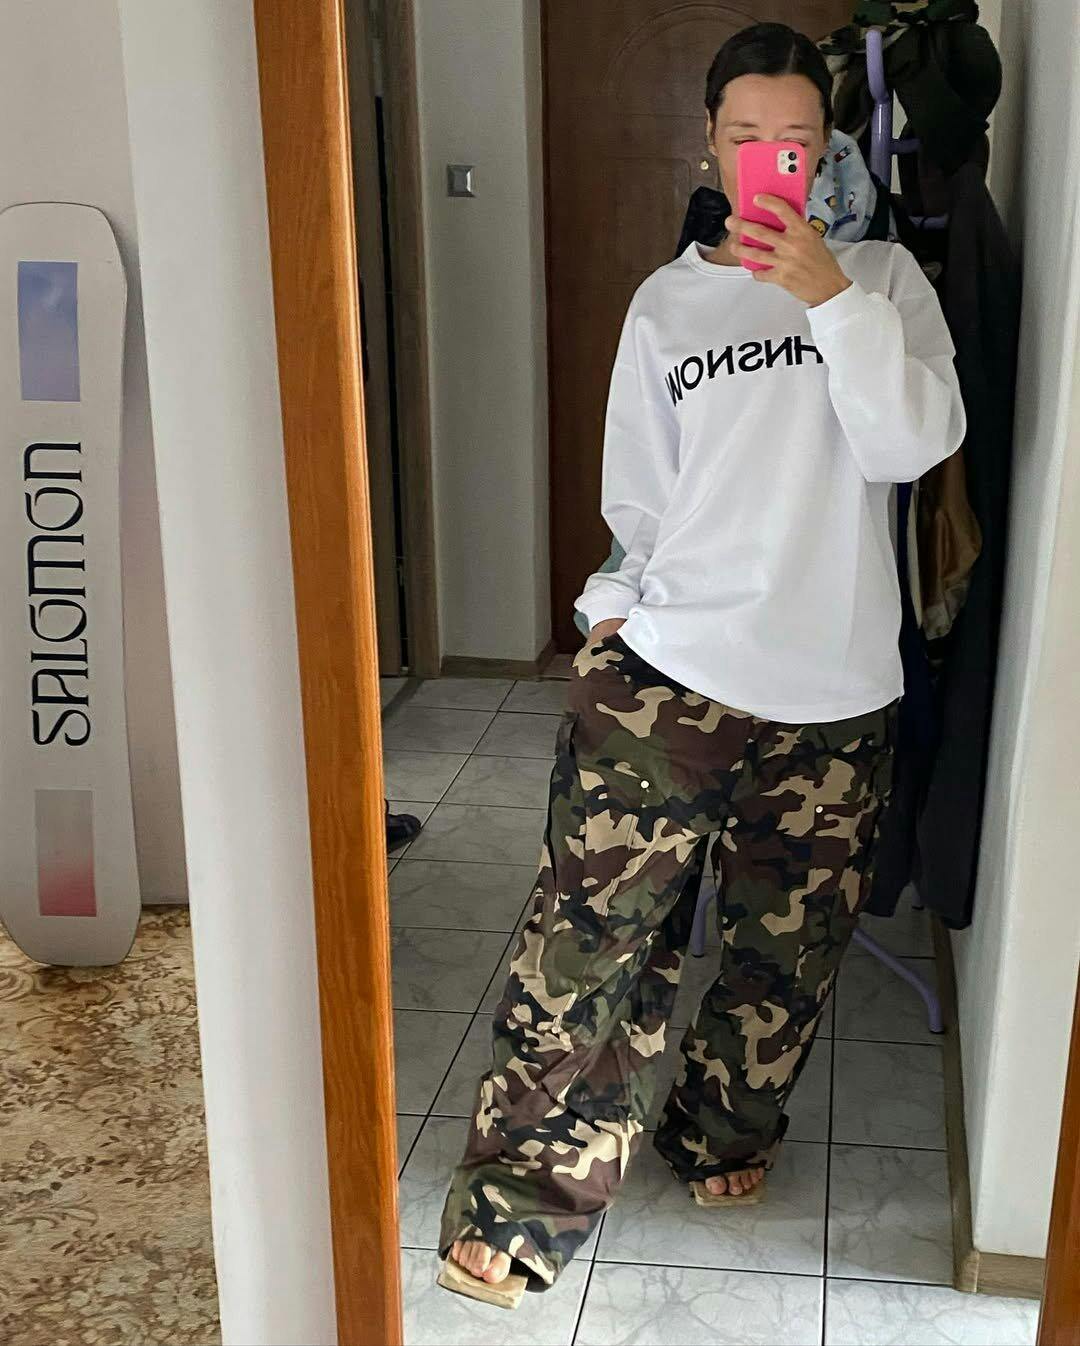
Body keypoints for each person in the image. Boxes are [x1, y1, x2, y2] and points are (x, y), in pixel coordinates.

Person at [438, 21, 965, 1306]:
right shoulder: (666, 302)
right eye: (747, 137)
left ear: (826, 149)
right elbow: (642, 494)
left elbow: (912, 445)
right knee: (586, 948)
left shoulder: (885, 281)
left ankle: (719, 1130)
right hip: (665, 678)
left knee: (785, 952)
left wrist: (827, 297)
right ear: (711, 146)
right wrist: (608, 608)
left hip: (835, 693)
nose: (772, 158)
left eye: (798, 139)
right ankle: (526, 1200)